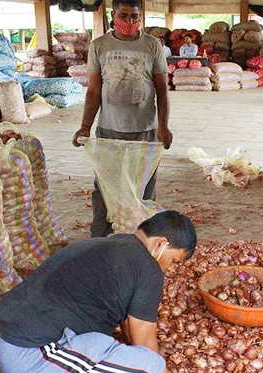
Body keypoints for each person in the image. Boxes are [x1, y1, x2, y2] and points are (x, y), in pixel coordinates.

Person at [0, 211, 197, 373]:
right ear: (160, 244)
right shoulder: (148, 268)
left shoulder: (107, 244)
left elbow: (129, 325)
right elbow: (145, 343)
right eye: (174, 261)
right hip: (26, 358)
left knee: (98, 337)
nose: (170, 269)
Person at [72, 0, 172, 238]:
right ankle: (100, 237)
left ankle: (143, 238)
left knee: (144, 187)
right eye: (124, 15)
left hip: (145, 130)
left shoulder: (152, 45)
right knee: (105, 187)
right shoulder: (99, 46)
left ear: (140, 16)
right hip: (110, 130)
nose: (129, 21)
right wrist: (85, 126)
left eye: (134, 16)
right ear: (113, 15)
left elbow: (162, 90)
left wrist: (163, 126)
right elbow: (94, 91)